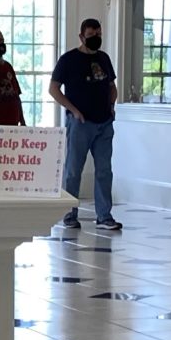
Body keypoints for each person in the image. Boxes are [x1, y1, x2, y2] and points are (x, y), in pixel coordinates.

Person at [49, 16, 121, 231]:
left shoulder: (104, 58)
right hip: (80, 122)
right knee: (73, 169)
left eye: (98, 34)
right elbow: (54, 89)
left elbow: (111, 85)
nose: (95, 38)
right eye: (91, 35)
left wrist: (112, 104)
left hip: (104, 122)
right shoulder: (68, 60)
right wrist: (73, 111)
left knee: (104, 170)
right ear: (81, 36)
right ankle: (69, 214)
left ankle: (104, 216)